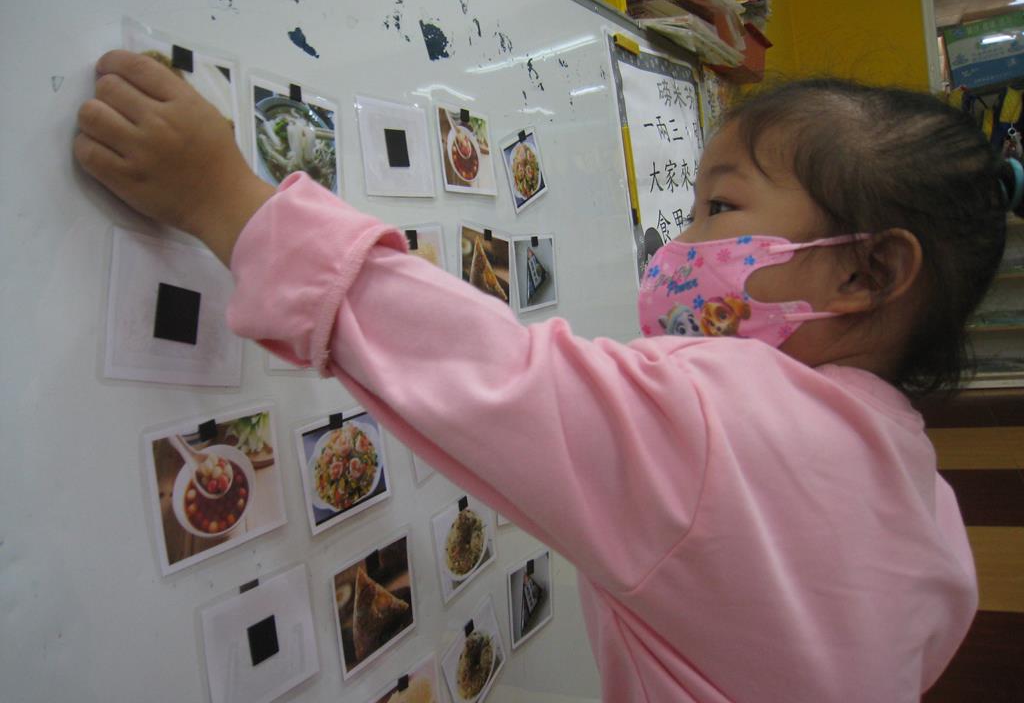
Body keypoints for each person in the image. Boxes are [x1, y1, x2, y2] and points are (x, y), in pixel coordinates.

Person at [74, 50, 1023, 702]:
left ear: (867, 273)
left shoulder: (721, 421)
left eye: (721, 208)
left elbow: (496, 374)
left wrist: (227, 202)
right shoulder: (920, 492)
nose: (681, 243)